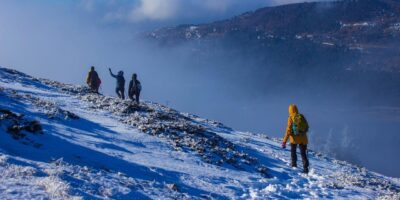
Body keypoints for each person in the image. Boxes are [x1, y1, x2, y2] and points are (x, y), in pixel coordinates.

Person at [282, 104, 310, 174]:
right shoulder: (301, 116)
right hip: (303, 138)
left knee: (293, 152)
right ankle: (305, 168)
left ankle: (294, 165)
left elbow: (288, 130)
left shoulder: (291, 117)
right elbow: (307, 126)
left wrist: (284, 141)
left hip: (294, 139)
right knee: (303, 154)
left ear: (290, 110)